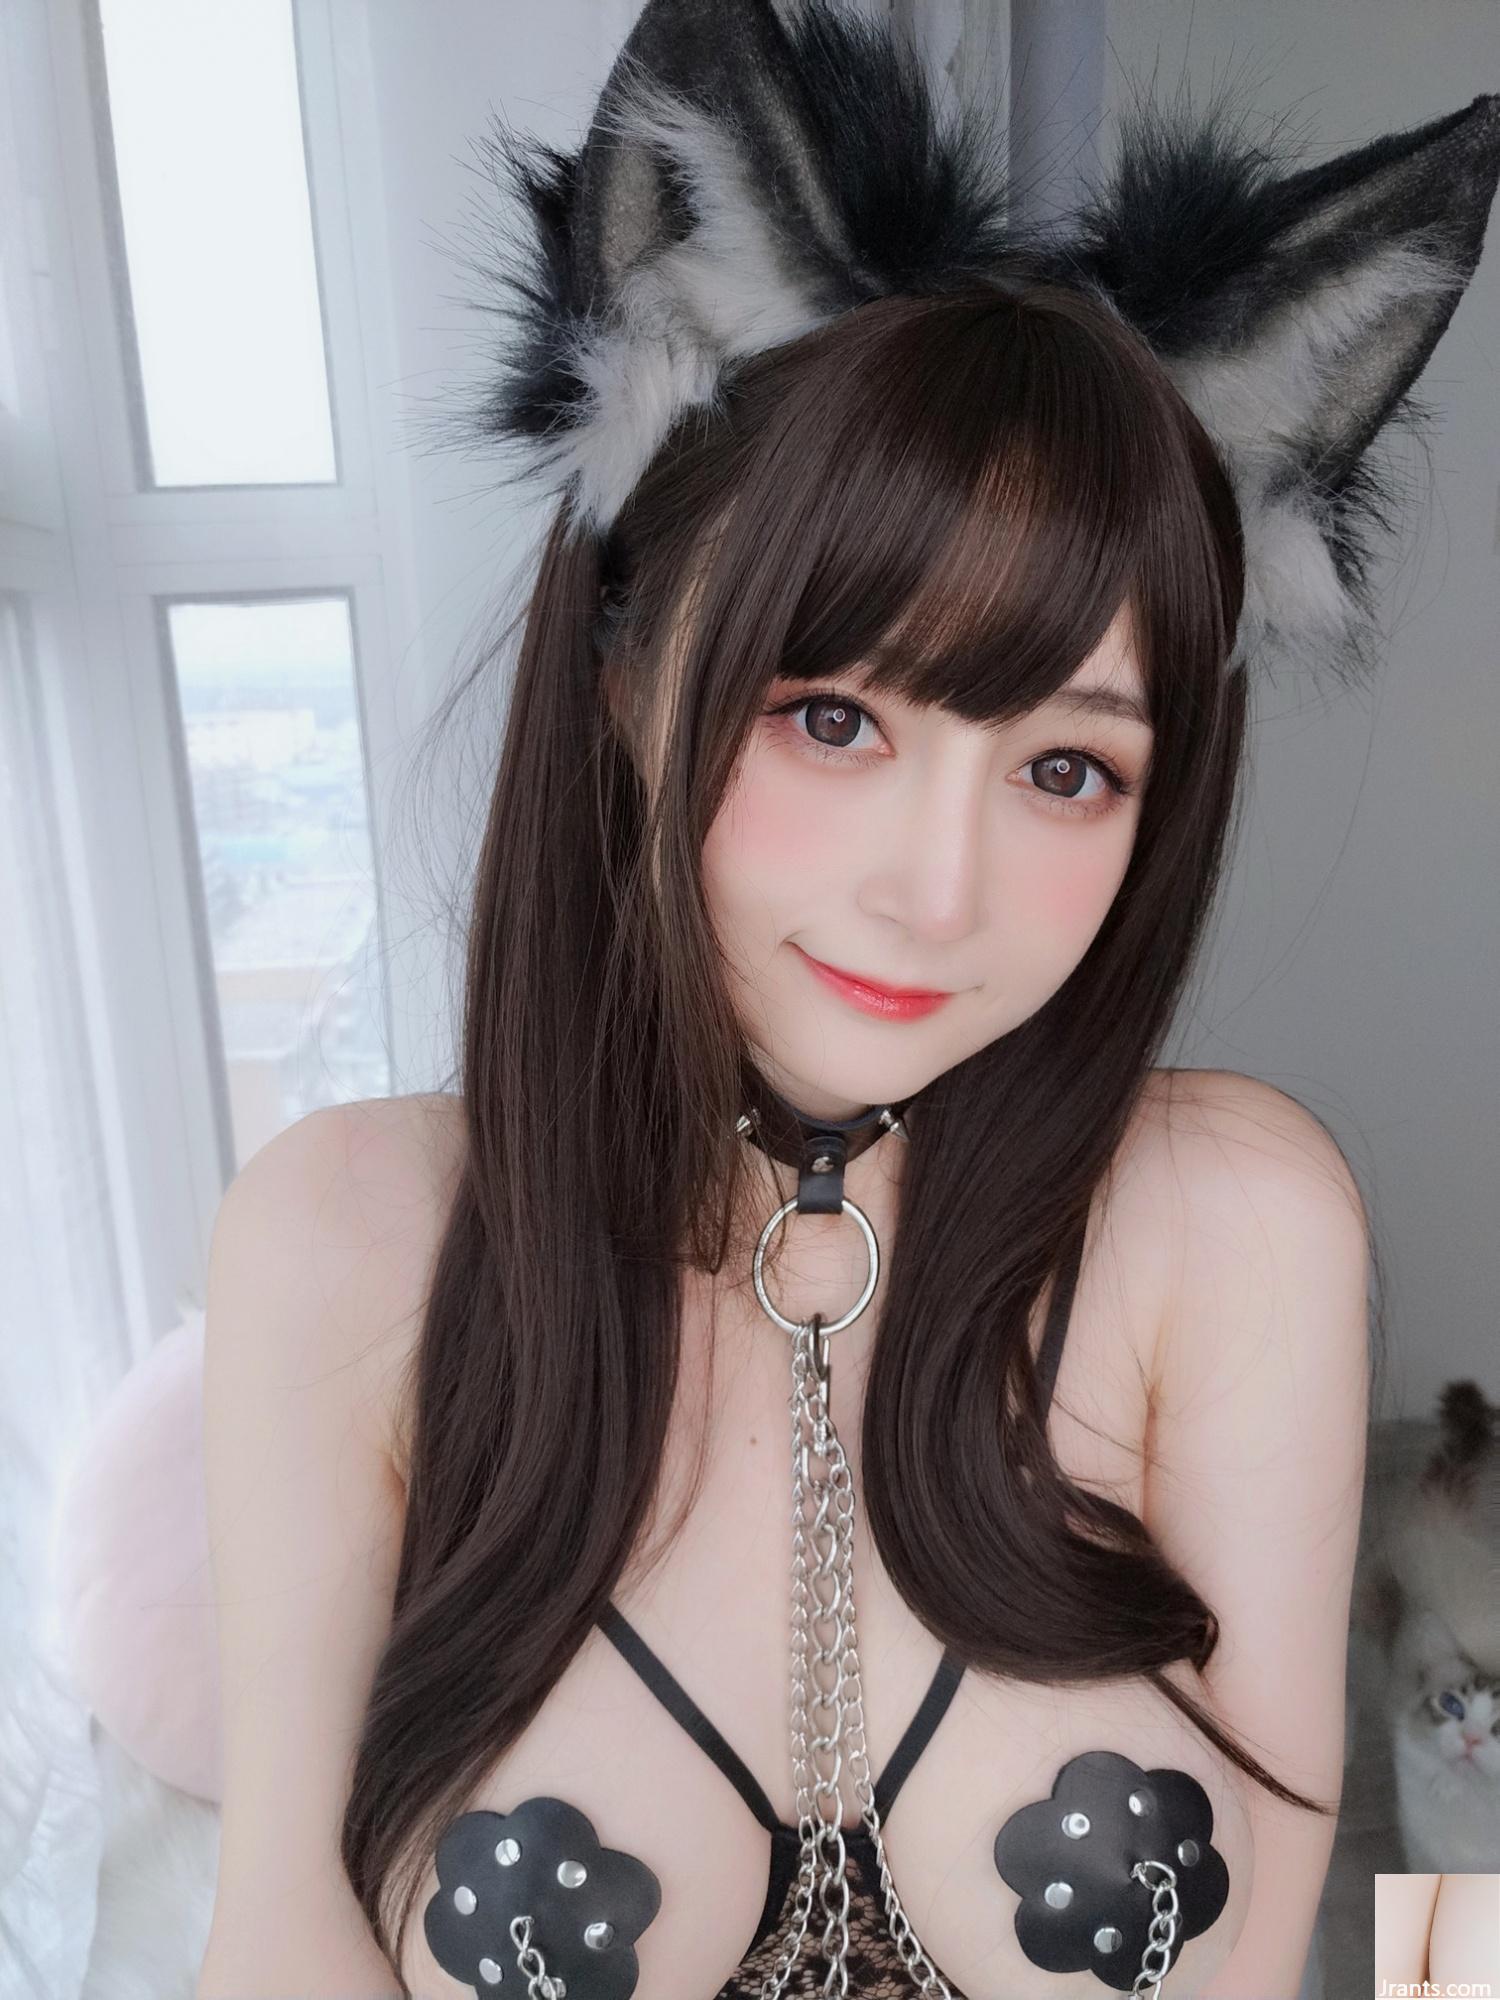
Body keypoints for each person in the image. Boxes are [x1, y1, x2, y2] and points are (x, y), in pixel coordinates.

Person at [195, 5, 1500, 1997]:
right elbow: (275, 1944)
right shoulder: (351, 1242)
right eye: (832, 718)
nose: (939, 890)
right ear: (628, 673)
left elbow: (1288, 1934)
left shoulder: (1240, 1222)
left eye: (1064, 766)